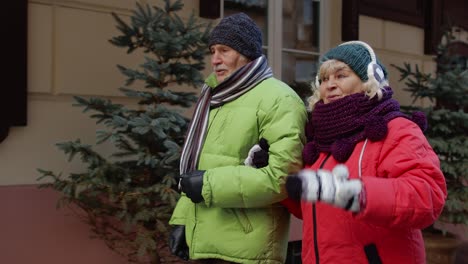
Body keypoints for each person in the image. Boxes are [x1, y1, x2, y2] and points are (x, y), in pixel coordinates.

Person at [282, 41, 447, 263]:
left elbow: (426, 196)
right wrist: (280, 177)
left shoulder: (396, 129)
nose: (329, 85)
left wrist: (358, 194)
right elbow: (316, 211)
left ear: (369, 80)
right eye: (323, 79)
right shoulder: (320, 140)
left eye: (341, 76)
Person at [168, 12, 307, 264]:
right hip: (206, 239)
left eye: (224, 50)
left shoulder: (280, 100)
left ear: (246, 53)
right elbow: (199, 169)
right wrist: (182, 219)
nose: (215, 60)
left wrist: (207, 184)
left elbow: (281, 178)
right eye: (212, 51)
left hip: (250, 247)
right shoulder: (216, 97)